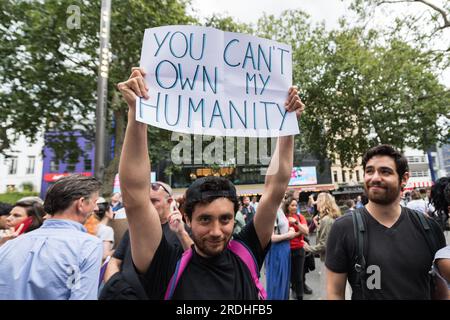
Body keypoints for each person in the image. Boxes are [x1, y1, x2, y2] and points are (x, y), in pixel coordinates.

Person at [116, 67, 304, 299]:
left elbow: (276, 188)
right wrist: (137, 114)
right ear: (187, 218)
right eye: (205, 219)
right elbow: (135, 196)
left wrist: (288, 127)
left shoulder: (246, 252)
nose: (216, 231)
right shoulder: (165, 266)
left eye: (225, 219)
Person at [325, 145, 446, 300]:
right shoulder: (343, 228)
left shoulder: (429, 228)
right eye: (369, 171)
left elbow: (442, 291)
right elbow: (334, 293)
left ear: (404, 179)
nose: (375, 177)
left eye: (385, 171)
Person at [0, 174, 103, 299]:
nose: (97, 208)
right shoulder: (88, 245)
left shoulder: (9, 245)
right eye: (95, 202)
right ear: (81, 203)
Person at [100, 181, 193, 299]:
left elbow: (196, 263)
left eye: (154, 201)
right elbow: (114, 261)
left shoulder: (182, 232)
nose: (148, 206)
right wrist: (117, 288)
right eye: (146, 202)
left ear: (170, 202)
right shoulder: (134, 228)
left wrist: (181, 232)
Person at [303, 192, 340, 297]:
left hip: (329, 260)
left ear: (323, 203)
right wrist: (318, 226)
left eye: (318, 201)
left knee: (327, 291)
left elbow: (324, 244)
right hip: (334, 259)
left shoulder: (326, 220)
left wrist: (308, 248)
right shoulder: (329, 218)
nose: (316, 204)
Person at [265, 206, 297, 300]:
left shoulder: (280, 209)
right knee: (277, 284)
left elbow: (282, 228)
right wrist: (289, 234)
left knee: (284, 282)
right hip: (277, 250)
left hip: (284, 248)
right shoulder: (272, 210)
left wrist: (290, 229)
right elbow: (271, 238)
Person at [283, 196, 309, 300]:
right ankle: (292, 292)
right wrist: (298, 232)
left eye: (295, 205)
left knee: (299, 276)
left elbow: (306, 231)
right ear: (287, 206)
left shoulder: (300, 217)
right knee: (289, 275)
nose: (294, 207)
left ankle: (299, 296)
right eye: (292, 205)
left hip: (299, 249)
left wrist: (295, 223)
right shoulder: (283, 218)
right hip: (286, 250)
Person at [94, 197, 115, 261]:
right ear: (106, 213)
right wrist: (118, 250)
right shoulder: (107, 230)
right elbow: (104, 255)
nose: (113, 212)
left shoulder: (94, 227)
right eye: (111, 210)